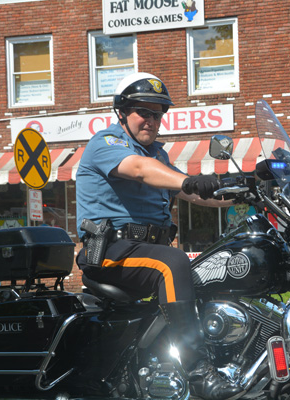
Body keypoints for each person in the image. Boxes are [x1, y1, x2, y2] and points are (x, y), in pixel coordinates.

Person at [76, 72, 241, 400]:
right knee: (173, 262)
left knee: (218, 267)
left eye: (158, 113)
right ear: (122, 112)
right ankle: (197, 370)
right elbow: (138, 169)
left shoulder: (159, 156)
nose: (152, 120)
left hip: (144, 252)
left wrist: (246, 188)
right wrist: (188, 180)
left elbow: (195, 194)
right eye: (143, 112)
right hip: (110, 251)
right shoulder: (106, 143)